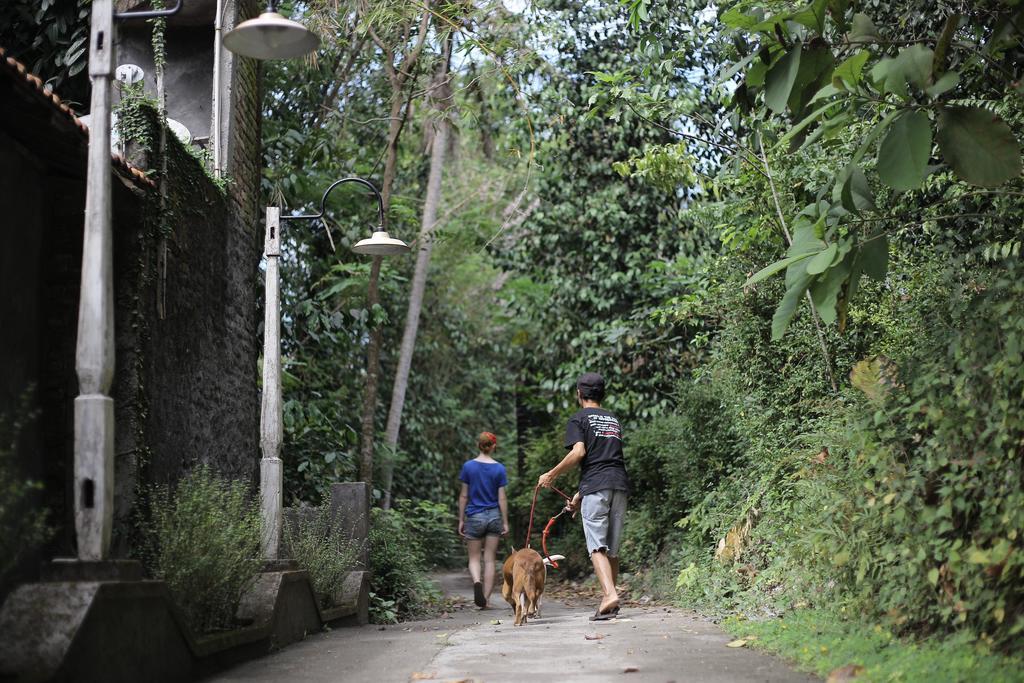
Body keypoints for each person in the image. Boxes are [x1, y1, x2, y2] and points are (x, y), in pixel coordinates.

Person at [538, 372, 629, 620]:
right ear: (603, 393)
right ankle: (609, 601)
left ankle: (610, 595)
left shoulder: (578, 418)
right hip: (619, 486)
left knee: (596, 546)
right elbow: (606, 461)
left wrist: (552, 474)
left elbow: (579, 453)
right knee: (612, 549)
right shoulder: (613, 420)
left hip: (597, 486)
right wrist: (579, 495)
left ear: (579, 393)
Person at [458, 431, 509, 608]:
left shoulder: (468, 467)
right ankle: (485, 600)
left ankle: (476, 581)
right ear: (493, 446)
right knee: (489, 559)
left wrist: (461, 520)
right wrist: (505, 521)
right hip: (494, 515)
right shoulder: (499, 468)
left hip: (474, 516)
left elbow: (464, 496)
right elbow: (502, 498)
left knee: (474, 558)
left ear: (478, 445)